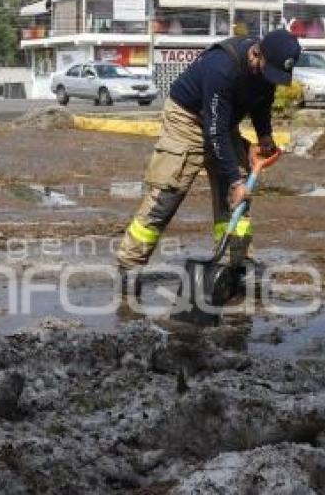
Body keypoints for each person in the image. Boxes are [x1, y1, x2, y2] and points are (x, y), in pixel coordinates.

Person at [116, 29, 302, 298]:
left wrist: (264, 136)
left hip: (222, 122)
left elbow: (262, 102)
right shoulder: (222, 68)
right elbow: (214, 132)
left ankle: (238, 262)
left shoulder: (265, 69)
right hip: (187, 119)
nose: (269, 77)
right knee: (168, 193)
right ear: (256, 53)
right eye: (267, 69)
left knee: (236, 198)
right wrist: (237, 180)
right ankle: (129, 264)